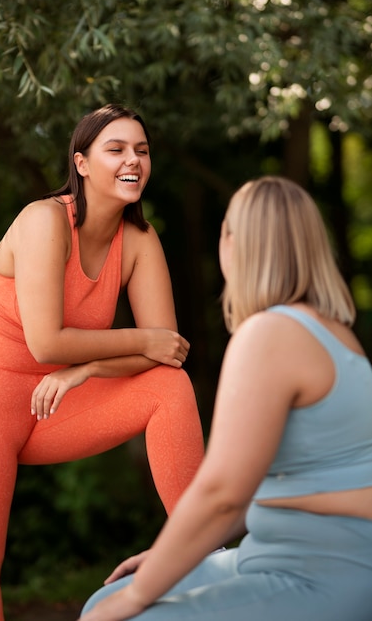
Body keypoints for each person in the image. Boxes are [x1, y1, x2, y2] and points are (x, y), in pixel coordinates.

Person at [79, 175, 372, 621]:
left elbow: (222, 493)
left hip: (317, 573)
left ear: (235, 244)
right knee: (104, 598)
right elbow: (258, 488)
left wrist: (137, 598)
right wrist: (165, 559)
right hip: (278, 556)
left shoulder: (270, 335)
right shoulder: (339, 337)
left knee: (122, 613)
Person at [0, 104, 204, 621]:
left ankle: (202, 548)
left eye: (141, 149)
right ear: (82, 163)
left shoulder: (139, 240)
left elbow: (164, 354)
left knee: (168, 386)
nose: (132, 159)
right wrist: (137, 340)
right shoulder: (44, 219)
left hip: (52, 401)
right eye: (115, 149)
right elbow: (48, 343)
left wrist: (86, 369)